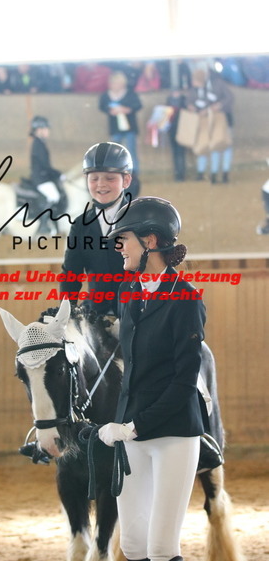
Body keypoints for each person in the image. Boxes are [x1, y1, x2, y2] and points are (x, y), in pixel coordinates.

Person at [98, 197, 208, 561]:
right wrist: (119, 423)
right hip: (131, 432)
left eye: (124, 239)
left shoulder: (186, 299)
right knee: (133, 545)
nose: (119, 248)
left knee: (161, 548)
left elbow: (184, 381)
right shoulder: (127, 292)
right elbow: (132, 367)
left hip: (173, 433)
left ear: (150, 241)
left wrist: (135, 425)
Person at [60, 141, 134, 316]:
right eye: (94, 178)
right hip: (94, 313)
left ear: (126, 180)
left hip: (135, 313)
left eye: (110, 178)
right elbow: (71, 275)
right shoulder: (80, 225)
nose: (101, 184)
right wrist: (65, 315)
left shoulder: (139, 219)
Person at [187, 67, 234, 183]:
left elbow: (229, 97)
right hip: (207, 122)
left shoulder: (218, 84)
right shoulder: (197, 89)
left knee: (225, 145)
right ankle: (213, 173)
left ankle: (225, 173)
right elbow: (191, 101)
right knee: (212, 146)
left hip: (223, 120)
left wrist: (218, 106)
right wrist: (192, 107)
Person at [99, 71, 142, 178]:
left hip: (130, 127)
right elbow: (102, 106)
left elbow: (138, 105)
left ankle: (134, 173)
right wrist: (110, 111)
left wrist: (127, 109)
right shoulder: (106, 95)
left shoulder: (130, 94)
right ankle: (116, 172)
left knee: (131, 150)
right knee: (115, 151)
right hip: (115, 128)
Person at [29, 116, 64, 231]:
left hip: (43, 177)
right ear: (39, 130)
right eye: (46, 129)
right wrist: (58, 175)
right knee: (54, 196)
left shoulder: (39, 143)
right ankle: (43, 225)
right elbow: (45, 166)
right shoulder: (38, 144)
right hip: (40, 179)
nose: (48, 131)